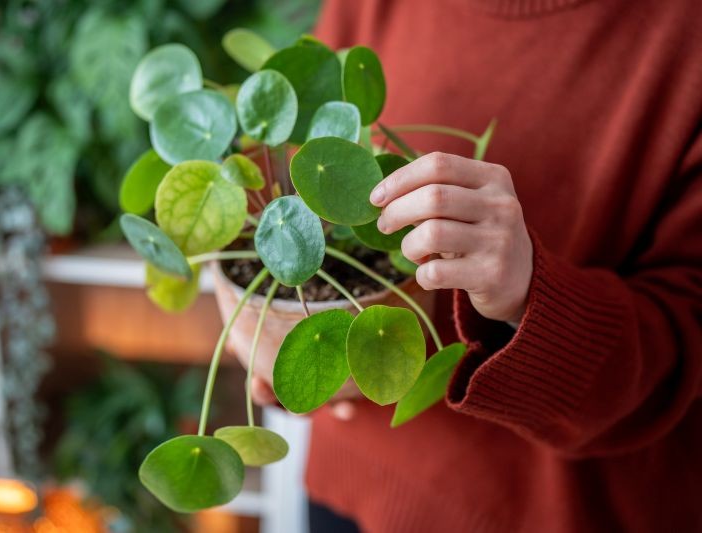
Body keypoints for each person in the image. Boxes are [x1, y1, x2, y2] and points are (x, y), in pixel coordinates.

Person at [250, 0, 702, 531]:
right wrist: (267, 327)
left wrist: (528, 294)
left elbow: (683, 346)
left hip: (547, 512)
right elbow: (303, 168)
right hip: (350, 486)